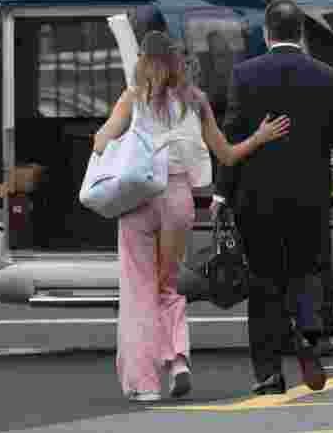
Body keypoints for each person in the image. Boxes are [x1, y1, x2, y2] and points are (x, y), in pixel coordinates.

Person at [93, 31, 290, 403]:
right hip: (178, 200)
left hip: (138, 198)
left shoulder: (133, 98)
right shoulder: (196, 101)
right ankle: (178, 360)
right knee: (170, 285)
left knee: (138, 292)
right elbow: (228, 156)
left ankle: (145, 384)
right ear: (177, 62)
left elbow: (101, 140)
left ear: (144, 62)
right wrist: (261, 136)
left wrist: (116, 145)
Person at [210, 0, 333, 395]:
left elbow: (233, 137)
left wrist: (222, 195)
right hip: (309, 196)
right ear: (302, 34)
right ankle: (309, 337)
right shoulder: (327, 76)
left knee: (262, 284)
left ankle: (269, 373)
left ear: (267, 33)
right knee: (306, 271)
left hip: (255, 198)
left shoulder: (245, 75)